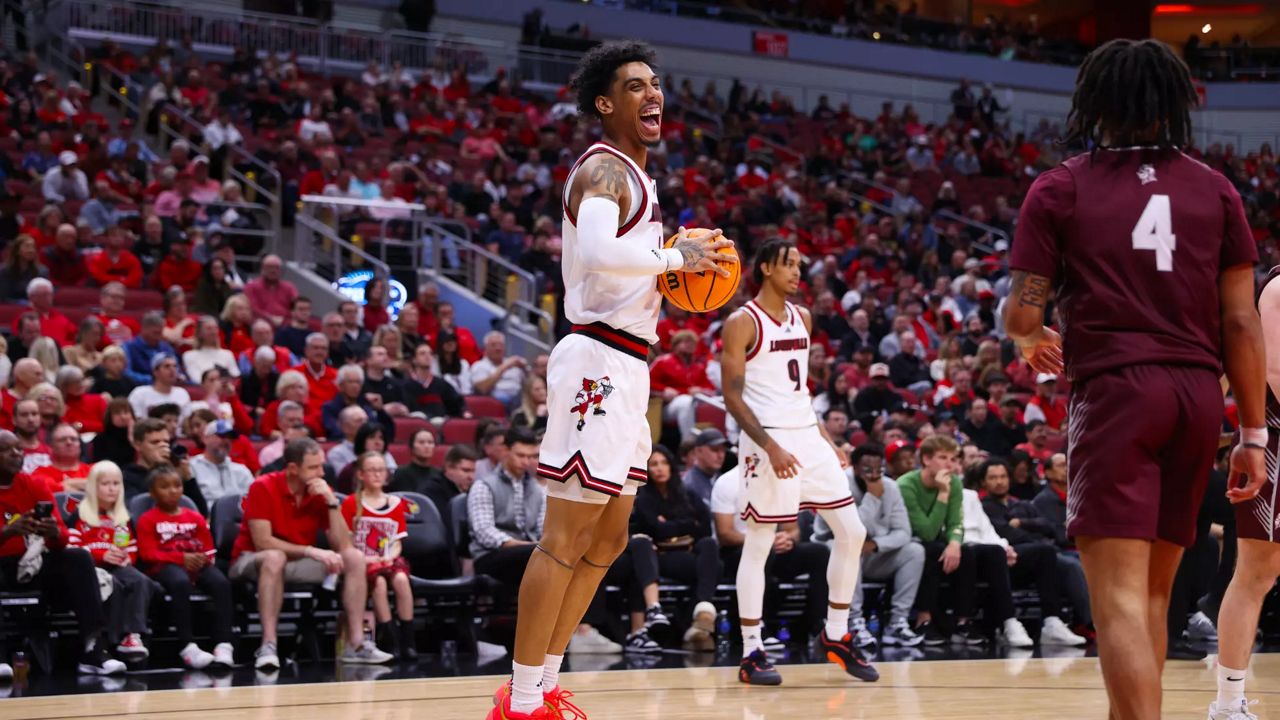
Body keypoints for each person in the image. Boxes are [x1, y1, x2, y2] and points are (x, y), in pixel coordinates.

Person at [1005, 38, 1266, 720]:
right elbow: (1241, 325)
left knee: (1117, 597)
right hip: (1197, 398)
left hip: (1118, 393)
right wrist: (1253, 434)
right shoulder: (1216, 189)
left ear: (1096, 102)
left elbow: (1023, 311)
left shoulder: (1061, 187)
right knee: (1152, 595)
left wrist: (1030, 335)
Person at [493, 41, 734, 720]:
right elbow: (599, 250)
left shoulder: (637, 176)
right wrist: (671, 254)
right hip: (596, 359)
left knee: (607, 540)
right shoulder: (604, 169)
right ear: (606, 104)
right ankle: (522, 697)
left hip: (630, 364)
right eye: (634, 86)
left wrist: (668, 257)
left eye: (656, 84)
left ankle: (540, 682)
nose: (652, 94)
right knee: (565, 537)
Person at [719, 237, 872, 686]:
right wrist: (769, 446)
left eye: (800, 266)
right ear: (765, 267)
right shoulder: (741, 322)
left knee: (853, 532)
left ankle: (837, 635)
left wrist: (827, 440)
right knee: (760, 541)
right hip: (767, 443)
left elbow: (799, 392)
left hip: (807, 437)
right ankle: (751, 652)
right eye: (788, 265)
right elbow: (731, 396)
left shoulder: (803, 318)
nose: (797, 273)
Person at [230, 438, 394, 668]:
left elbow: (343, 545)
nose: (321, 472)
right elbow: (262, 542)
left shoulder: (319, 491)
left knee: (354, 558)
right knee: (274, 558)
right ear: (293, 469)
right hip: (251, 559)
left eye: (322, 466)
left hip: (298, 562)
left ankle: (356, 645)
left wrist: (332, 503)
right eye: (313, 467)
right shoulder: (263, 486)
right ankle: (268, 645)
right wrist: (312, 551)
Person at [1210, 262, 1280, 720]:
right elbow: (1273, 369)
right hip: (1274, 441)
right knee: (1255, 572)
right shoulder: (1279, 285)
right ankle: (1228, 703)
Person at [0, 431, 127, 675]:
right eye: (8, 450)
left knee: (78, 556)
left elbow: (63, 539)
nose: (16, 454)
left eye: (19, 449)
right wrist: (9, 531)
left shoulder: (34, 484)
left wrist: (53, 533)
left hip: (32, 564)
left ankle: (93, 649)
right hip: (3, 566)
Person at [814, 444, 924, 648]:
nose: (874, 475)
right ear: (854, 467)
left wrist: (875, 545)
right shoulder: (838, 485)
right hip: (834, 555)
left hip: (873, 555)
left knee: (914, 551)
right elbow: (849, 529)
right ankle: (853, 622)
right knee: (847, 547)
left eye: (878, 469)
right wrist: (872, 498)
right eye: (867, 469)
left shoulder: (890, 487)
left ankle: (897, 623)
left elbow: (903, 532)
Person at [973, 458, 1089, 645]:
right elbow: (1005, 532)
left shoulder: (1022, 504)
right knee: (1058, 558)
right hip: (1007, 561)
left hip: (1040, 555)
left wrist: (1023, 523)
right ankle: (1087, 624)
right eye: (993, 478)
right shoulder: (983, 506)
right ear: (983, 482)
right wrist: (1035, 534)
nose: (1000, 481)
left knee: (1080, 559)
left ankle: (1056, 622)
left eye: (1003, 476)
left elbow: (1049, 526)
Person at [136, 464, 234, 669]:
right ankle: (187, 646)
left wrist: (202, 559)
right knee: (180, 582)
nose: (173, 491)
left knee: (221, 583)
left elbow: (208, 547)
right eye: (165, 487)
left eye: (177, 485)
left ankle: (223, 644)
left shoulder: (194, 517)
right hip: (163, 566)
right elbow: (148, 554)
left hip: (196, 564)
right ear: (152, 493)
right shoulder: (147, 520)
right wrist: (182, 559)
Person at [630, 445, 721, 649]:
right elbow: (654, 530)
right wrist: (685, 525)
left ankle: (700, 612)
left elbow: (703, 529)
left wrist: (669, 525)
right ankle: (694, 620)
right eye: (654, 464)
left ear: (671, 466)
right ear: (647, 469)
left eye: (663, 463)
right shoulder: (643, 498)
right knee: (712, 569)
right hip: (661, 559)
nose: (659, 468)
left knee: (710, 547)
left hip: (688, 554)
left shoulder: (688, 494)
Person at [68, 461, 155, 659]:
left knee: (141, 580)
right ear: (92, 486)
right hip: (91, 569)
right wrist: (99, 556)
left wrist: (127, 559)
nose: (111, 488)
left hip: (118, 566)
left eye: (116, 484)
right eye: (105, 484)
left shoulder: (123, 518)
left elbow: (132, 548)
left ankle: (132, 636)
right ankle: (109, 640)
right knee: (113, 585)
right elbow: (72, 549)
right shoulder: (79, 515)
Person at [341, 451, 416, 660]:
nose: (377, 475)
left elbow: (397, 541)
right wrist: (368, 559)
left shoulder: (394, 503)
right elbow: (346, 540)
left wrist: (389, 557)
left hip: (389, 557)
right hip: (363, 560)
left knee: (401, 580)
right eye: (372, 470)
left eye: (381, 470)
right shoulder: (350, 503)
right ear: (361, 474)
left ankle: (409, 641)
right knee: (380, 585)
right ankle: (389, 639)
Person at [123, 418, 205, 515]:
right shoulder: (127, 476)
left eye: (166, 442)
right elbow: (137, 511)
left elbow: (202, 513)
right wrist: (157, 467)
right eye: (155, 442)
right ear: (138, 445)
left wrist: (187, 479)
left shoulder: (174, 474)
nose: (163, 446)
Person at [189, 419, 254, 505]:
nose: (226, 441)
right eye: (222, 436)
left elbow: (254, 501)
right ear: (205, 439)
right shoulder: (192, 467)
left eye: (230, 437)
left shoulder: (242, 471)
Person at [469, 331, 527, 408]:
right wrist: (504, 367)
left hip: (519, 400)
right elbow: (482, 388)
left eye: (501, 345)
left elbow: (529, 385)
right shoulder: (479, 366)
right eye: (493, 345)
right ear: (485, 348)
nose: (498, 348)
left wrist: (526, 369)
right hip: (494, 403)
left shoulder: (514, 363)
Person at [128, 354, 191, 422]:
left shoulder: (182, 393)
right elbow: (136, 421)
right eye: (167, 366)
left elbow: (186, 422)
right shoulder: (139, 393)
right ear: (155, 372)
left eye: (175, 366)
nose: (172, 370)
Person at [32, 422, 92, 493]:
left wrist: (68, 483)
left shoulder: (93, 470)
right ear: (51, 447)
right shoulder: (40, 473)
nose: (69, 442)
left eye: (73, 439)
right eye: (62, 440)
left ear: (80, 444)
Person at [243, 254, 297, 327]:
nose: (273, 270)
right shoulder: (251, 287)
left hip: (285, 324)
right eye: (269, 267)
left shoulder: (289, 287)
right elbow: (252, 308)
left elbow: (296, 307)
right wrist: (270, 318)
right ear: (262, 268)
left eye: (276, 268)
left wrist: (284, 319)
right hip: (259, 324)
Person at [183, 316, 239, 381]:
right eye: (208, 328)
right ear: (199, 333)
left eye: (215, 328)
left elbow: (236, 376)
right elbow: (197, 379)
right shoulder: (189, 355)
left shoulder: (227, 354)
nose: (213, 332)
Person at [681, 429, 727, 506]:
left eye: (723, 450)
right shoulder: (688, 485)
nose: (721, 456)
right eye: (715, 450)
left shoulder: (724, 479)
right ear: (698, 451)